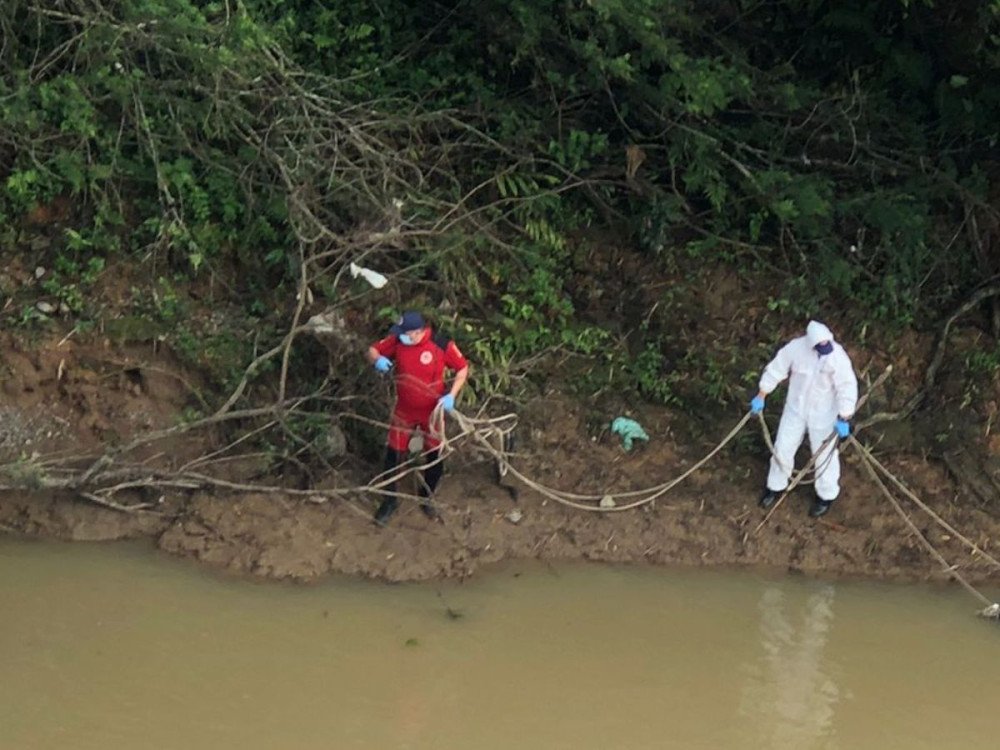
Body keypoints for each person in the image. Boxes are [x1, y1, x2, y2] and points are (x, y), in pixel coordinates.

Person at [367, 310, 469, 526]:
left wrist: (451, 395)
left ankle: (427, 496)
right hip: (404, 410)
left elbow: (462, 368)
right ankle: (390, 501)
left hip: (432, 413)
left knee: (435, 456)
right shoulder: (398, 341)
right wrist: (377, 359)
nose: (402, 336)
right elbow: (373, 349)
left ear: (417, 332)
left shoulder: (441, 345)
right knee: (393, 455)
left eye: (406, 333)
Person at [750, 320, 858, 518]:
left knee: (825, 456)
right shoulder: (795, 349)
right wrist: (762, 394)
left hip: (824, 415)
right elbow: (776, 369)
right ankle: (775, 486)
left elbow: (847, 386)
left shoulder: (837, 358)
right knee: (783, 447)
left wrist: (844, 415)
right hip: (796, 410)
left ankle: (826, 496)